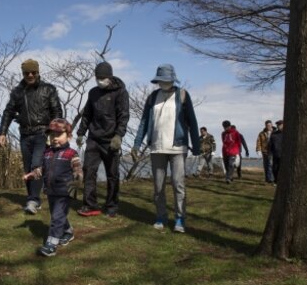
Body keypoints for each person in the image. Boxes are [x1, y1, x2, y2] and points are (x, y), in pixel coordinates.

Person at [131, 64, 200, 233]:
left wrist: (196, 146)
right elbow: (144, 122)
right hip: (157, 147)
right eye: (160, 80)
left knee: (178, 183)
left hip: (177, 147)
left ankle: (179, 218)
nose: (163, 83)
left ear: (172, 79)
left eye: (166, 80)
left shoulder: (182, 95)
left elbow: (192, 120)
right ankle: (161, 216)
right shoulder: (153, 97)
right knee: (158, 186)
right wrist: (136, 144)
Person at [0, 59, 63, 214]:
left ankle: (33, 200)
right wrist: (2, 133)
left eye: (33, 72)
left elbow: (57, 112)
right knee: (28, 168)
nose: (30, 75)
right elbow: (8, 112)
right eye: (27, 73)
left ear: (38, 72)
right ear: (23, 74)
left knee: (36, 166)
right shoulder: (18, 92)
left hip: (42, 133)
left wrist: (55, 132)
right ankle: (33, 199)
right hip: (25, 134)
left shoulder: (48, 89)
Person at [76, 61, 130, 217]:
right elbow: (87, 115)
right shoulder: (93, 93)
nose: (100, 80)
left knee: (112, 174)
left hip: (111, 140)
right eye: (97, 77)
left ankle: (112, 206)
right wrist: (81, 133)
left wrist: (119, 135)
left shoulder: (120, 92)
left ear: (110, 77)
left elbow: (123, 116)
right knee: (89, 171)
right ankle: (90, 205)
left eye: (103, 77)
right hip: (93, 138)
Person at [23, 118, 83, 257]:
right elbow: (42, 169)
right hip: (50, 191)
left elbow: (78, 171)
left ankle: (51, 244)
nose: (55, 138)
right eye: (52, 135)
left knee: (56, 218)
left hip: (64, 192)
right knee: (58, 215)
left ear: (68, 136)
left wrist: (77, 182)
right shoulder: (47, 153)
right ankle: (67, 231)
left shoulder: (71, 154)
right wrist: (32, 174)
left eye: (59, 135)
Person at [268, 120, 283, 185]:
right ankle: (276, 180)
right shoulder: (274, 134)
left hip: (284, 155)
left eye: (280, 125)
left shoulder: (288, 134)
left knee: (281, 169)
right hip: (275, 154)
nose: (278, 126)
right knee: (274, 169)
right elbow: (270, 144)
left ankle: (281, 181)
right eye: (277, 125)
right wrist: (270, 152)